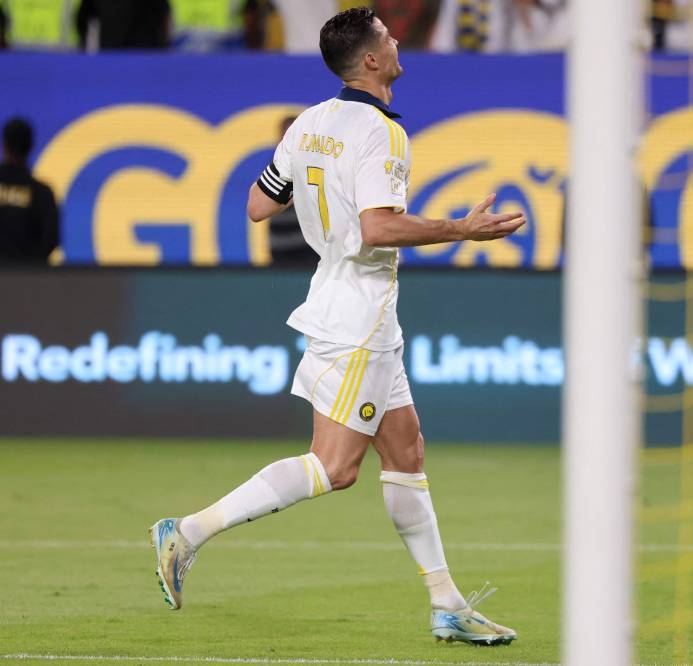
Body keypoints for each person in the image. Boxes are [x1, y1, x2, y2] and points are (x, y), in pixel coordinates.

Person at [149, 7, 525, 647]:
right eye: (387, 36)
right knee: (335, 467)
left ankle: (447, 604)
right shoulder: (383, 133)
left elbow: (259, 204)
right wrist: (460, 228)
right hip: (358, 317)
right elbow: (378, 228)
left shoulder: (310, 122)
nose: (397, 39)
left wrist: (322, 197)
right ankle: (186, 531)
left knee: (405, 451)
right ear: (372, 60)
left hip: (349, 302)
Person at [0, 118, 59, 265]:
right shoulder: (43, 194)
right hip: (29, 277)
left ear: (4, 145)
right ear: (31, 146)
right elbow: (51, 240)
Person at [267, 116, 315, 265]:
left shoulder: (316, 167)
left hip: (309, 249)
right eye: (286, 135)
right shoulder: (275, 168)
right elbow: (259, 209)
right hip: (280, 249)